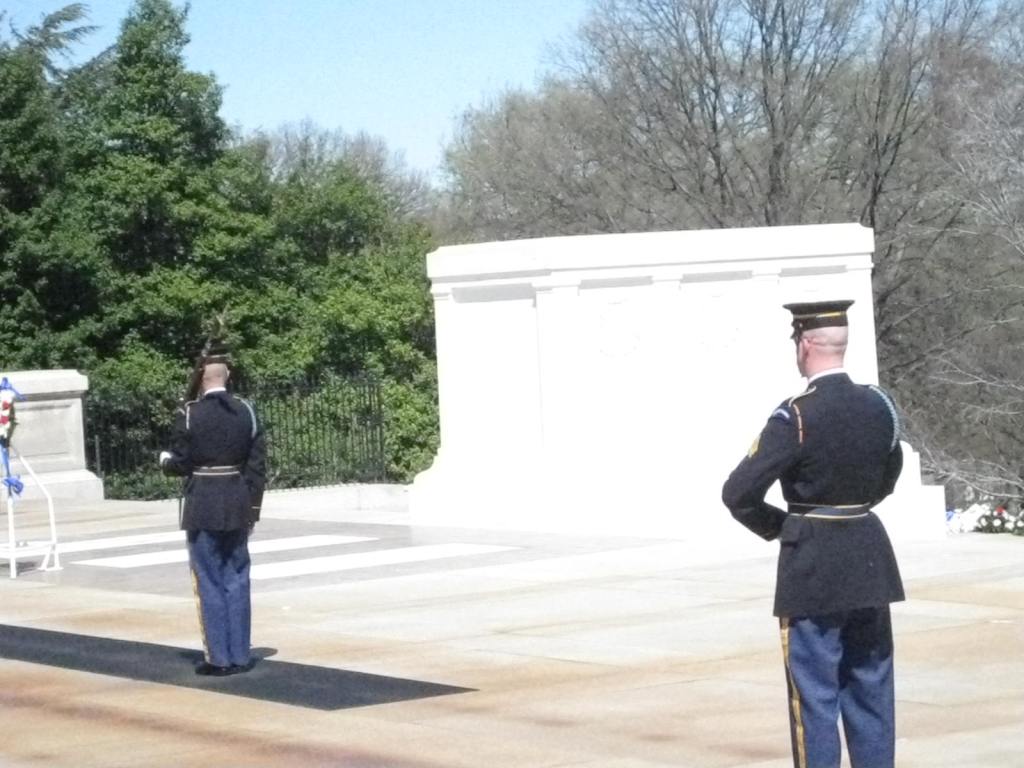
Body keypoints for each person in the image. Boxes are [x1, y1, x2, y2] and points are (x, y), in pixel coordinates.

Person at [721, 300, 904, 768]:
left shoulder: (796, 416)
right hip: (869, 557)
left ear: (804, 345)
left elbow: (738, 492)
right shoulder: (879, 405)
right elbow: (888, 475)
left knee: (815, 696)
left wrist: (786, 527)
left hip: (814, 564)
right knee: (871, 686)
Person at [160, 357, 266, 676]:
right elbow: (258, 467)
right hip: (237, 501)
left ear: (200, 379)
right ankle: (240, 655)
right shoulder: (246, 411)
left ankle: (218, 658)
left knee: (208, 579)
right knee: (237, 578)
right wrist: (252, 510)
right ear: (227, 376)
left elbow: (181, 462)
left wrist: (165, 461)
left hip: (203, 502)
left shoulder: (190, 413)